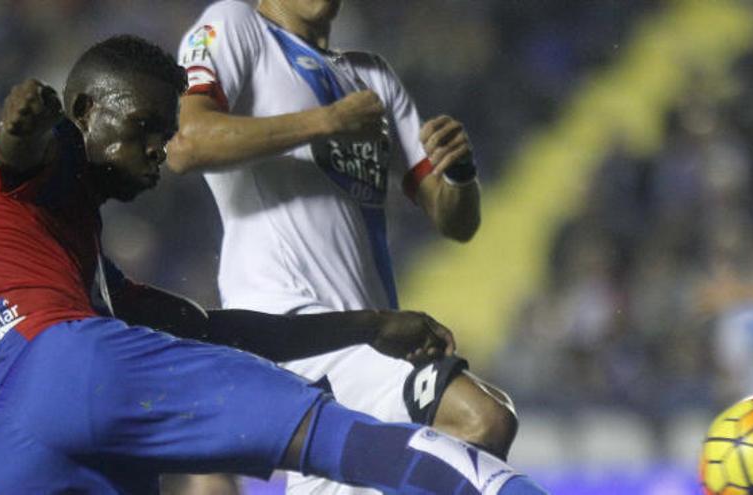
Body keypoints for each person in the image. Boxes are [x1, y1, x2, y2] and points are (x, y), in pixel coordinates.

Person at [0, 35, 547, 494]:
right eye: (146, 126)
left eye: (167, 132)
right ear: (86, 110)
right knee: (336, 438)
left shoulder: (66, 267)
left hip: (5, 449)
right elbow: (19, 153)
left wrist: (371, 326)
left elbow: (215, 328)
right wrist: (22, 126)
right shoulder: (46, 161)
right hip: (62, 364)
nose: (161, 149)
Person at [169, 1, 517, 493]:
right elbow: (186, 142)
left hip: (374, 338)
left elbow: (455, 220)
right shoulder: (235, 25)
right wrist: (325, 121)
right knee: (482, 419)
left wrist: (458, 172)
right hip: (289, 325)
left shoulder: (372, 76)